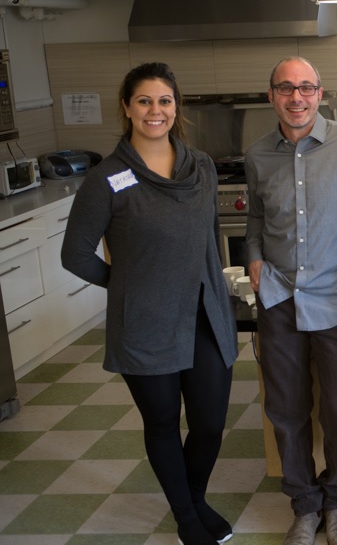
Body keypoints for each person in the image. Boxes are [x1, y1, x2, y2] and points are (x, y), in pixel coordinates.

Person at [61, 62, 238, 545]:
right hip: (146, 322)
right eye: (144, 101)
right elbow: (74, 254)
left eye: (163, 100)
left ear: (175, 107)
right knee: (162, 422)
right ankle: (186, 517)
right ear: (127, 107)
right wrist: (126, 286)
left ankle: (195, 497)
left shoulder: (199, 165)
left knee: (209, 423)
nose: (154, 110)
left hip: (204, 314)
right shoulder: (109, 178)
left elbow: (209, 234)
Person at [244, 56, 337, 545]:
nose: (296, 97)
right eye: (286, 88)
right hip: (279, 297)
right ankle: (304, 505)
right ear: (272, 96)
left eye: (306, 87)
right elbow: (255, 219)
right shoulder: (258, 154)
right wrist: (254, 255)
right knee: (285, 408)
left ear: (320, 93)